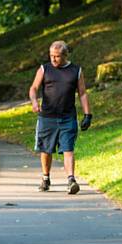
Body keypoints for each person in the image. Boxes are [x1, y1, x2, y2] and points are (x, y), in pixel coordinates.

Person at [29, 40, 92, 194]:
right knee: (46, 150)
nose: (54, 59)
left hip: (67, 117)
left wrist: (87, 114)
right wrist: (34, 101)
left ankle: (71, 180)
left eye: (57, 56)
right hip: (47, 117)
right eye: (51, 56)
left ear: (65, 55)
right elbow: (34, 88)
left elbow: (82, 93)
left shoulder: (76, 71)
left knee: (68, 148)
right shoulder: (45, 69)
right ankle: (45, 178)